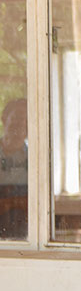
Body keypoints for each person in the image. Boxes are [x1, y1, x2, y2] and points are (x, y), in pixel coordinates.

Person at [0, 97, 28, 240]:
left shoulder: (34, 158)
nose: (19, 125)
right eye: (15, 118)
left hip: (25, 233)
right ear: (5, 119)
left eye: (24, 121)